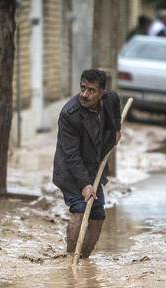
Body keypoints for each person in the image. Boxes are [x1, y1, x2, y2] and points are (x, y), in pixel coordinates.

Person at [53, 69, 122, 259]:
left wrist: (116, 128)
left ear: (102, 93)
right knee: (80, 210)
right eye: (83, 88)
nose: (84, 94)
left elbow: (116, 104)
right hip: (70, 170)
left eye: (91, 90)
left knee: (98, 215)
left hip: (93, 167)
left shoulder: (110, 98)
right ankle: (70, 258)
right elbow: (71, 154)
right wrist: (85, 184)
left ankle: (84, 259)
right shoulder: (69, 114)